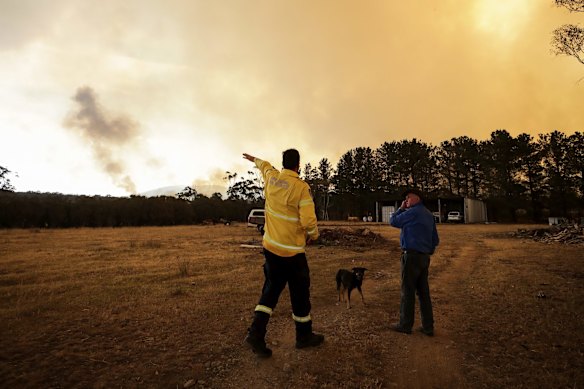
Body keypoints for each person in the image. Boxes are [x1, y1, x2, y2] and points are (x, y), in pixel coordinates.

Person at [242, 149, 324, 358]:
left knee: (269, 293)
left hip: (271, 250)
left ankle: (256, 333)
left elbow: (264, 166)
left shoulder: (272, 178)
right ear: (298, 165)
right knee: (300, 295)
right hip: (293, 254)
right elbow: (308, 221)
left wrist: (254, 160)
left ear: (283, 163)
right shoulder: (301, 188)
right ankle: (304, 337)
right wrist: (314, 235)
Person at [389, 188, 439, 336]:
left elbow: (393, 221)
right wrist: (427, 252)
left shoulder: (412, 213)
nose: (406, 201)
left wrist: (400, 209)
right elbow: (435, 240)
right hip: (424, 258)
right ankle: (428, 327)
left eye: (408, 198)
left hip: (411, 257)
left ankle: (405, 325)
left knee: (408, 291)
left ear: (416, 198)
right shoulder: (429, 215)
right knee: (424, 293)